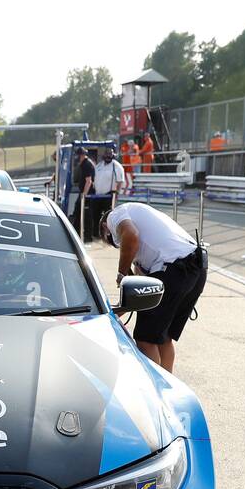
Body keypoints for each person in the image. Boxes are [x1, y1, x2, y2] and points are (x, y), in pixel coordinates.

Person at [101, 201, 207, 373]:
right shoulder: (147, 228)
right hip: (197, 268)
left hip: (174, 268)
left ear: (107, 228)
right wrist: (115, 312)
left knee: (145, 339)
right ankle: (167, 390)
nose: (119, 246)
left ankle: (153, 391)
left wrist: (121, 274)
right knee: (162, 337)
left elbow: (131, 236)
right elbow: (141, 295)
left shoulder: (115, 215)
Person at [92, 144, 127, 233]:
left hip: (109, 195)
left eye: (110, 154)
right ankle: (97, 233)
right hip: (97, 195)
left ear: (113, 155)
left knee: (108, 217)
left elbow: (120, 181)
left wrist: (116, 194)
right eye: (106, 154)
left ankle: (108, 234)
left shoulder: (117, 166)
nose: (108, 156)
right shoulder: (99, 165)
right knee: (95, 215)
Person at [71, 146, 97, 241]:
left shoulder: (87, 165)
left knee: (86, 214)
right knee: (78, 212)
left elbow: (89, 181)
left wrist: (84, 194)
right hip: (84, 193)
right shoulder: (84, 164)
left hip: (86, 195)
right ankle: (78, 233)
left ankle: (86, 236)